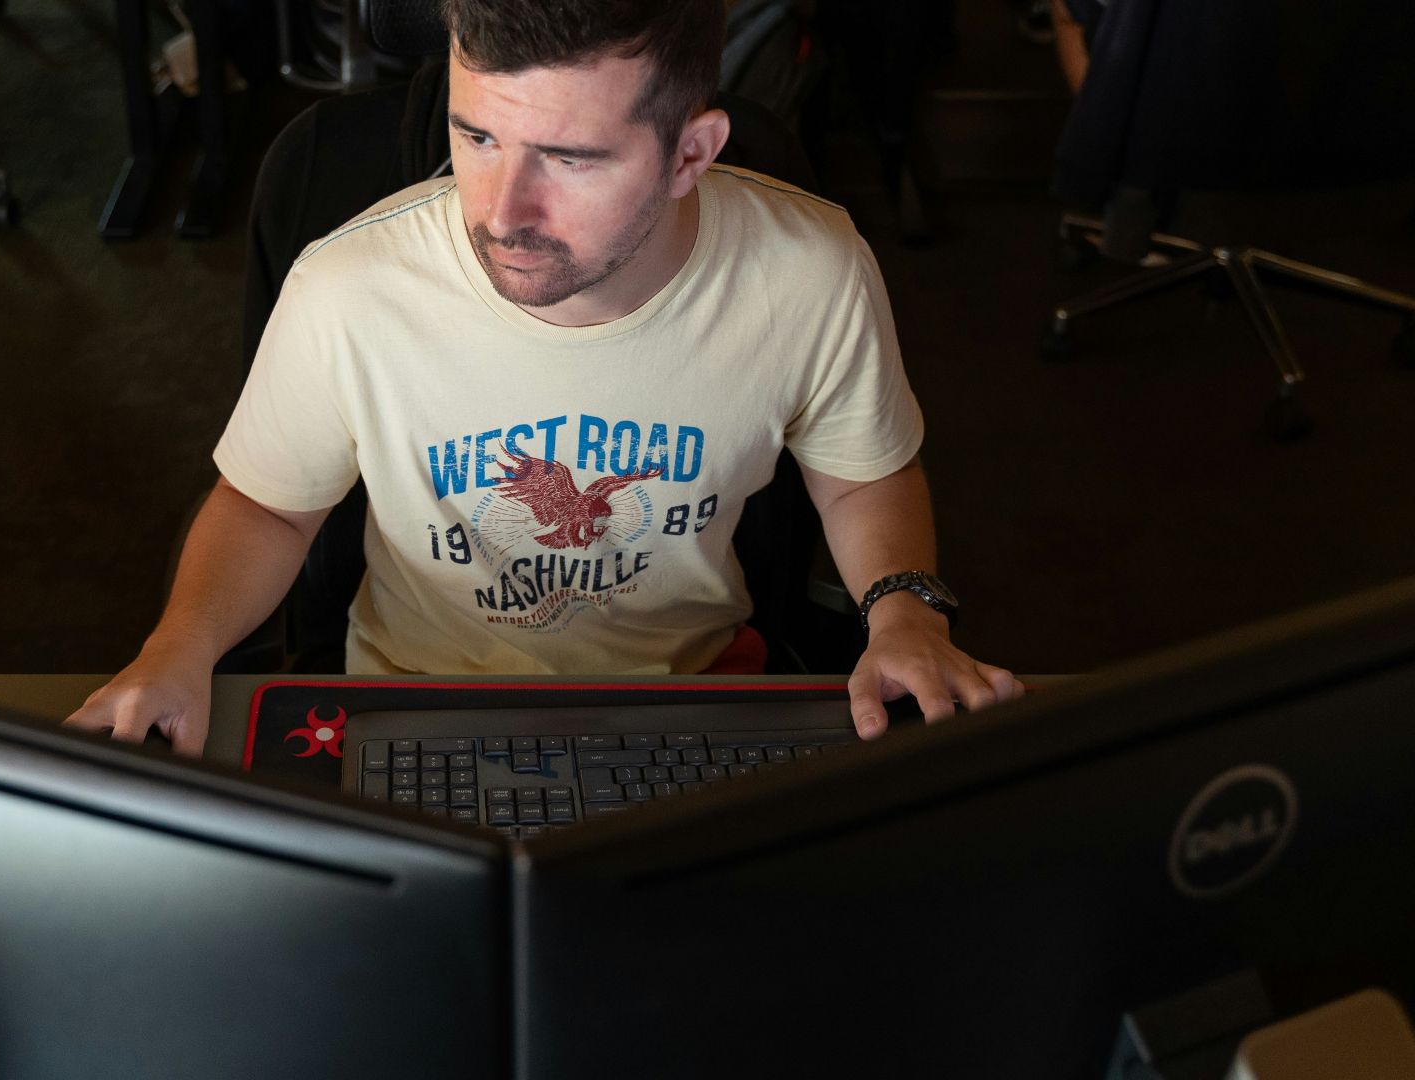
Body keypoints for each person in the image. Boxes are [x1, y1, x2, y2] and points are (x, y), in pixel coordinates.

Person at [65, 0, 1024, 757]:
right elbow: (269, 509)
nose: (501, 210)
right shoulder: (350, 286)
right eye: (477, 138)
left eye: (568, 158)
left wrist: (905, 613)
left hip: (700, 704)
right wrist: (176, 649)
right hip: (408, 711)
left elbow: (862, 474)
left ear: (692, 152)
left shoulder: (810, 270)